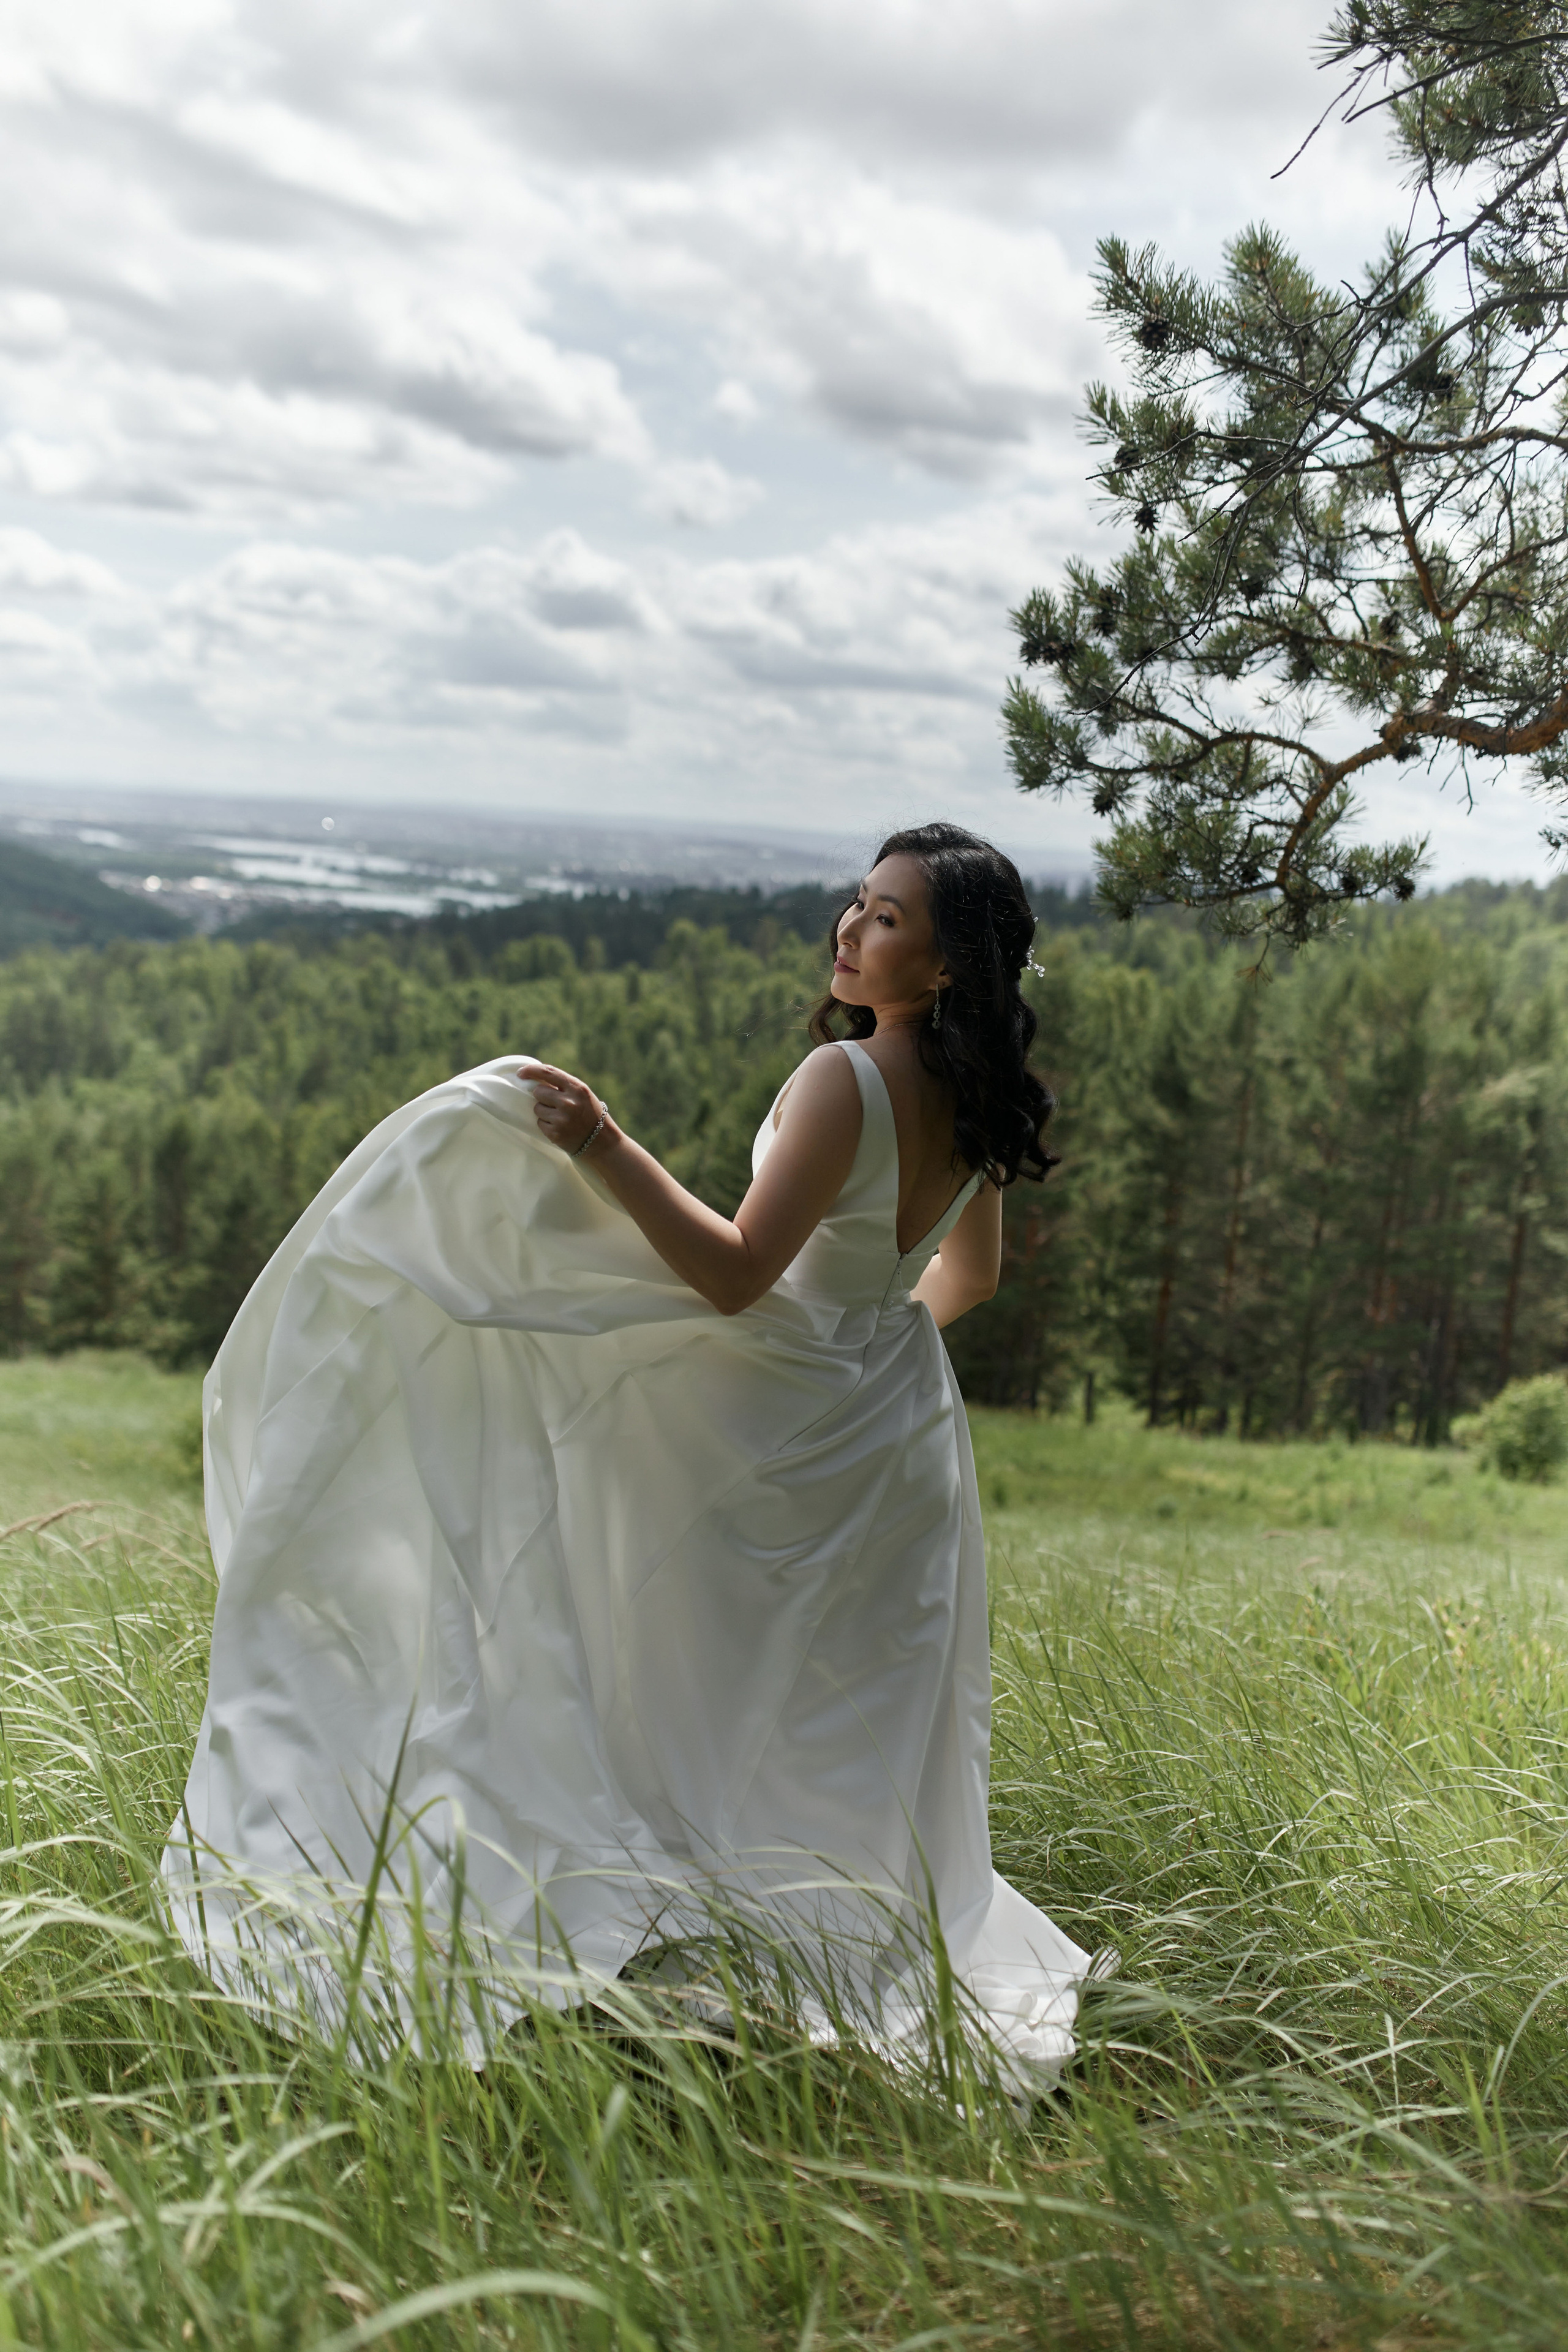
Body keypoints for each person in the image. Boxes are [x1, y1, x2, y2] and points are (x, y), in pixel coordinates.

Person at [164, 822, 1095, 2082]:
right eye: (857, 901)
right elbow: (968, 1278)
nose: (849, 927)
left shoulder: (847, 1079)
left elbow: (735, 1275)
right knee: (841, 1706)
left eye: (885, 918)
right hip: (896, 1434)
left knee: (670, 1671)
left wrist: (602, 1143)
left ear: (941, 969)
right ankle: (834, 1957)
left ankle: (692, 1950)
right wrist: (865, 1344)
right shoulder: (978, 1097)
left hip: (773, 1423)